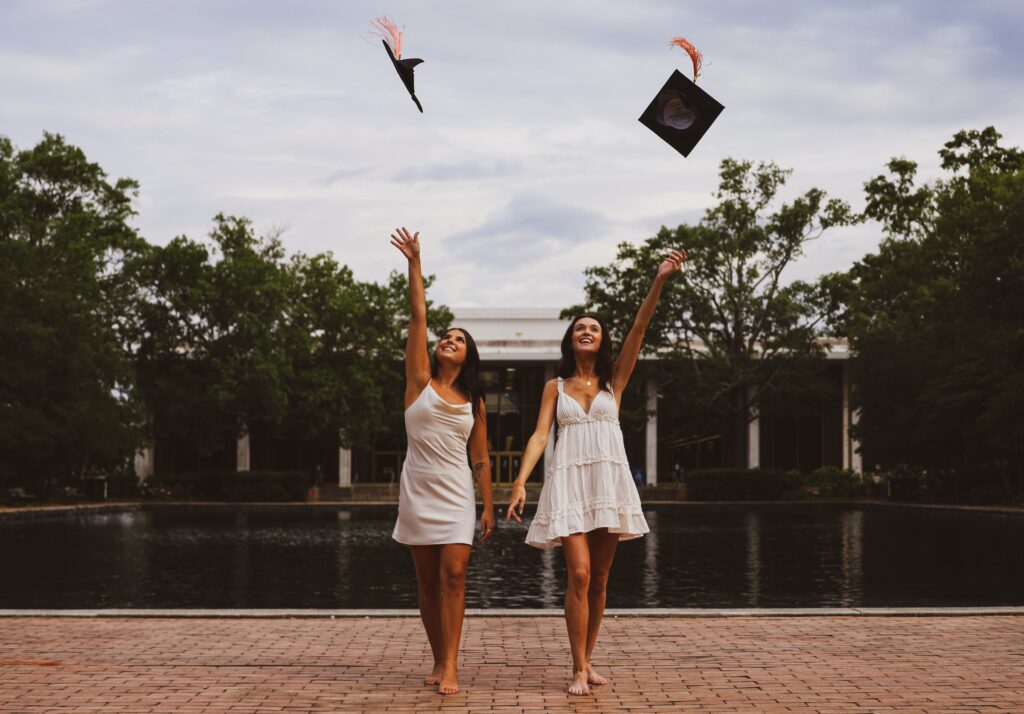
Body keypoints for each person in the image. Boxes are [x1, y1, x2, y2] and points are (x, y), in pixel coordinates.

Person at [507, 248, 686, 695]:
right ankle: (577, 667)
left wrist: (659, 279)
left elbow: (641, 327)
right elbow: (538, 437)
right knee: (580, 575)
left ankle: (588, 659)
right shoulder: (555, 387)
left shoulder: (615, 382)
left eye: (594, 328)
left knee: (602, 578)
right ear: (570, 340)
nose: (587, 332)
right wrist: (520, 481)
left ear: (602, 341)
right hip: (569, 483)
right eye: (580, 328)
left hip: (608, 483)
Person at [390, 227, 495, 695]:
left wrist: (488, 505)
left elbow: (482, 458)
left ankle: (450, 664)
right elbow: (418, 315)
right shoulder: (419, 381)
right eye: (446, 336)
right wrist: (415, 262)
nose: (448, 340)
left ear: (468, 353)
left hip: (456, 494)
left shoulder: (474, 398)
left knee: (454, 576)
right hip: (418, 490)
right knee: (427, 582)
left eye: (458, 339)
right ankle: (437, 658)